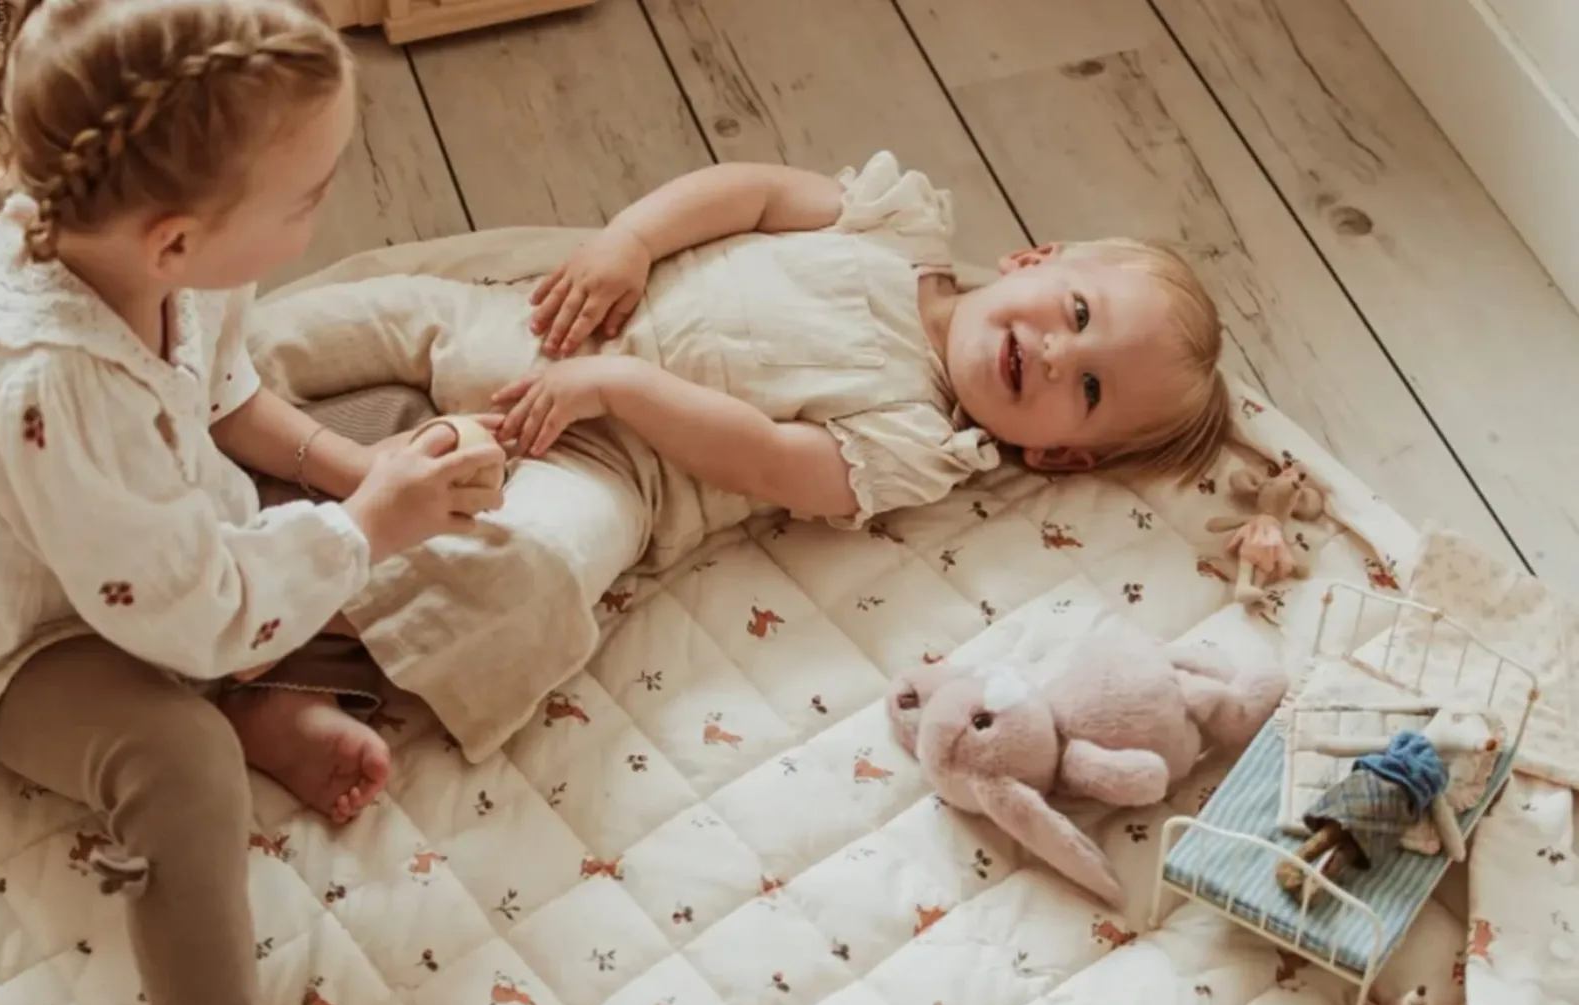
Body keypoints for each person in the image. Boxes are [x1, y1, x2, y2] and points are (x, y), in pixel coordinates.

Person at [0, 0, 505, 1005]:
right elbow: (197, 611)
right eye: (308, 197)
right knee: (179, 754)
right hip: (16, 648)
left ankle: (260, 700)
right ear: (177, 237)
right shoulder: (48, 388)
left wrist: (353, 474)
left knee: (357, 472)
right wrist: (370, 526)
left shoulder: (147, 263)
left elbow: (222, 398)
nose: (324, 215)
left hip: (129, 562)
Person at [248, 153, 1235, 761]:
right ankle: (192, 400)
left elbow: (766, 458)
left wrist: (617, 389)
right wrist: (630, 242)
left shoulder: (918, 445)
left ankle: (282, 659)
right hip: (531, 324)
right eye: (1076, 313)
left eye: (1089, 389)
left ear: (1060, 456)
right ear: (1035, 259)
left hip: (610, 469)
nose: (1057, 354)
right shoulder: (893, 227)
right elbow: (753, 192)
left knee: (535, 572)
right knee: (327, 323)